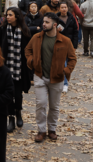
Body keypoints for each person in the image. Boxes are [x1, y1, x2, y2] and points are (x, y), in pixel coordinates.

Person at [25, 13, 77, 143]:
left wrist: (65, 71)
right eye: (43, 21)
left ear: (54, 24)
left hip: (57, 78)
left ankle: (52, 130)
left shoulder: (65, 41)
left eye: (47, 22)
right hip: (40, 76)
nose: (44, 24)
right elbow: (27, 50)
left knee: (54, 106)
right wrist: (32, 62)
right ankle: (41, 130)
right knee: (40, 104)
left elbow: (72, 58)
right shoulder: (36, 38)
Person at [0, 7, 31, 133]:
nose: (7, 17)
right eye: (7, 15)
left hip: (20, 68)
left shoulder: (25, 30)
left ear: (17, 16)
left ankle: (18, 112)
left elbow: (29, 49)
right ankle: (11, 118)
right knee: (9, 95)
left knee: (18, 94)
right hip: (6, 68)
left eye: (10, 15)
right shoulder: (3, 29)